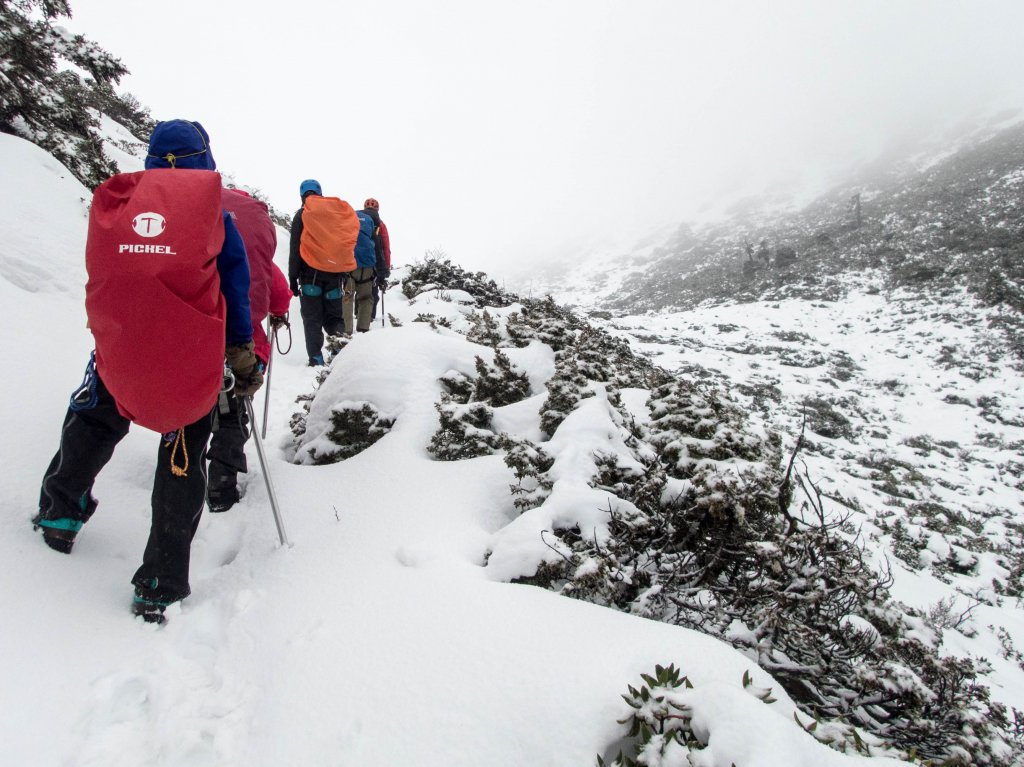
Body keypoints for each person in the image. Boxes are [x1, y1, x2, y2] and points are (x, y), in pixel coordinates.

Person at [32, 119, 263, 624]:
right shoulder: (213, 217)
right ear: (204, 157)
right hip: (188, 358)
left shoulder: (119, 206)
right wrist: (241, 350)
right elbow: (235, 286)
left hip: (118, 348)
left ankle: (61, 511)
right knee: (182, 453)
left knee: (94, 419)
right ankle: (159, 583)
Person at [207, 189, 292, 513]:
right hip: (244, 347)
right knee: (232, 412)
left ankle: (186, 471)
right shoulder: (259, 261)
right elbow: (280, 297)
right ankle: (221, 484)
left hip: (196, 340)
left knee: (196, 410)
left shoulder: (197, 249)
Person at [288, 180, 359, 365]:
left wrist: (292, 277)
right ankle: (339, 350)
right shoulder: (334, 215)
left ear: (302, 195)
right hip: (335, 275)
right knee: (334, 317)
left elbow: (295, 247)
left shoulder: (302, 214)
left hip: (309, 276)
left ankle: (316, 358)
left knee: (312, 319)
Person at [347, 202, 388, 333]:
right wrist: (382, 273)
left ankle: (345, 331)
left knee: (347, 296)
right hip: (368, 267)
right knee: (366, 297)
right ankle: (363, 329)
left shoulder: (352, 218)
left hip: (350, 265)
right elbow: (382, 249)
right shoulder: (377, 224)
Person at [363, 198, 391, 321]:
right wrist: (386, 267)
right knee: (372, 292)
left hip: (356, 261)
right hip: (375, 263)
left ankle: (356, 317)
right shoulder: (381, 224)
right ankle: (370, 319)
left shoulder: (357, 220)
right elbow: (385, 247)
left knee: (359, 290)